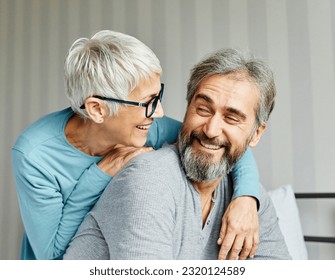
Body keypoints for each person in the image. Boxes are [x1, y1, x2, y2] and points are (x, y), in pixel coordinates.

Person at [12, 30, 259, 260]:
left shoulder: (150, 128)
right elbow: (51, 255)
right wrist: (98, 175)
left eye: (158, 96)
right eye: (148, 102)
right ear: (97, 109)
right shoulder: (35, 156)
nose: (159, 112)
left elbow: (219, 141)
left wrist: (246, 198)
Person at [64, 48, 291, 260]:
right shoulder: (149, 178)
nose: (211, 130)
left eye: (231, 118)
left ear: (256, 133)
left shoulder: (250, 200)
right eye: (202, 109)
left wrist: (247, 199)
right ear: (187, 107)